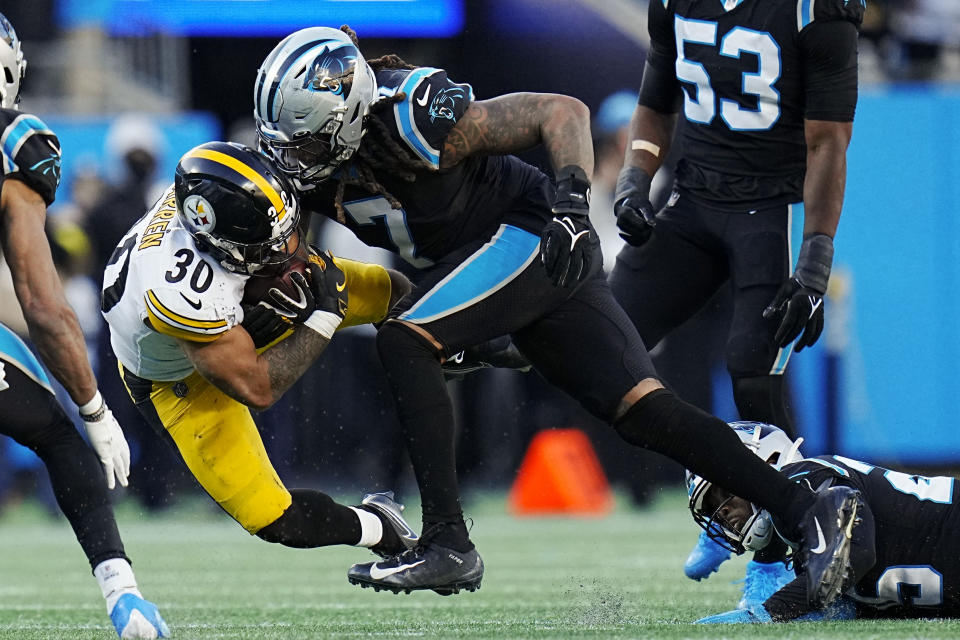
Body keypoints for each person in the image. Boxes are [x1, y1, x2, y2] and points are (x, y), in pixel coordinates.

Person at [253, 25, 861, 602]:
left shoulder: (413, 112)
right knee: (645, 412)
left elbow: (561, 110)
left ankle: (447, 540)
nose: (292, 152)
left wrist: (573, 205)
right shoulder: (314, 168)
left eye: (304, 137)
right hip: (491, 263)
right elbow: (289, 247)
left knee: (405, 341)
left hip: (533, 234)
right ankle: (806, 506)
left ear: (350, 110)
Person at [606, 0, 863, 580]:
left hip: (775, 206)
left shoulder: (811, 11)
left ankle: (780, 560)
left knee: (753, 370)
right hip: (696, 196)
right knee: (604, 336)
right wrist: (633, 184)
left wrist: (815, 265)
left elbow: (828, 142)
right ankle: (726, 499)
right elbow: (654, 102)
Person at [101, 140, 423, 569]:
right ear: (217, 243)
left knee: (391, 291)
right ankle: (380, 527)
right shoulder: (178, 289)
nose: (291, 249)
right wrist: (323, 317)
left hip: (233, 306)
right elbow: (258, 388)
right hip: (176, 380)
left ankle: (488, 344)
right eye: (270, 244)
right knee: (275, 519)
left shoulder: (225, 189)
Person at [0, 13, 168, 639]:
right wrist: (95, 409)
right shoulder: (17, 143)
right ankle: (124, 600)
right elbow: (43, 304)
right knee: (65, 439)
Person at [689, 422, 960, 622]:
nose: (722, 512)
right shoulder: (802, 540)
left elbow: (852, 554)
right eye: (713, 507)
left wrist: (765, 615)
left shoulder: (805, 477)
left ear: (768, 459)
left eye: (724, 492)